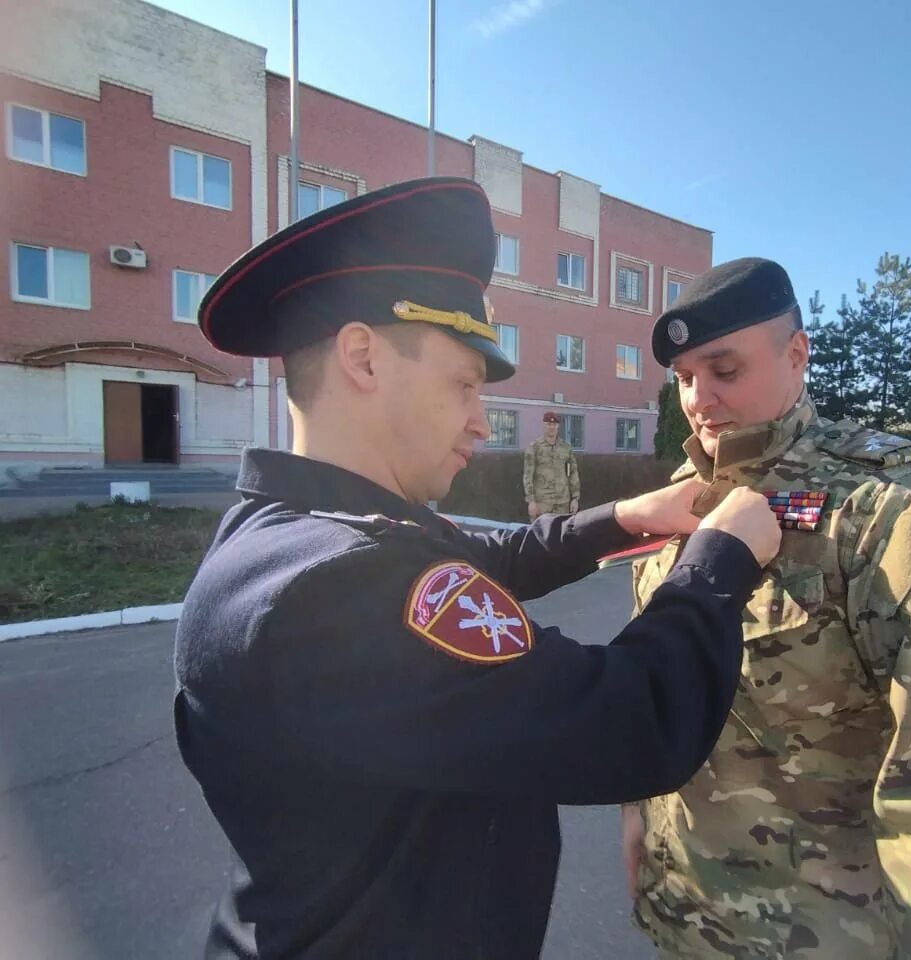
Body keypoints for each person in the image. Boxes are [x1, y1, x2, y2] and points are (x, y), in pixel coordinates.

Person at [172, 178, 782, 959]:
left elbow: (473, 560)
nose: (480, 419)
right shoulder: (329, 586)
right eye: (463, 382)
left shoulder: (306, 531)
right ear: (362, 357)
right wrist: (718, 562)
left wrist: (626, 517)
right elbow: (631, 721)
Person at [622, 257, 911, 959]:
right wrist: (639, 813)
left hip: (820, 934)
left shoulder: (896, 514)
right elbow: (661, 681)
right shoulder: (680, 500)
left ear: (797, 354)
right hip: (689, 914)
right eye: (683, 378)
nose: (698, 399)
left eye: (724, 370)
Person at [523, 410, 580, 518]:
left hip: (563, 503)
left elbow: (572, 473)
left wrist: (575, 498)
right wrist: (531, 501)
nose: (552, 427)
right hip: (542, 504)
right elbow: (528, 475)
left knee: (561, 533)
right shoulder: (534, 447)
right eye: (549, 424)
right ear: (544, 425)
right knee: (541, 534)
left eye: (554, 424)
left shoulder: (566, 447)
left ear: (558, 426)